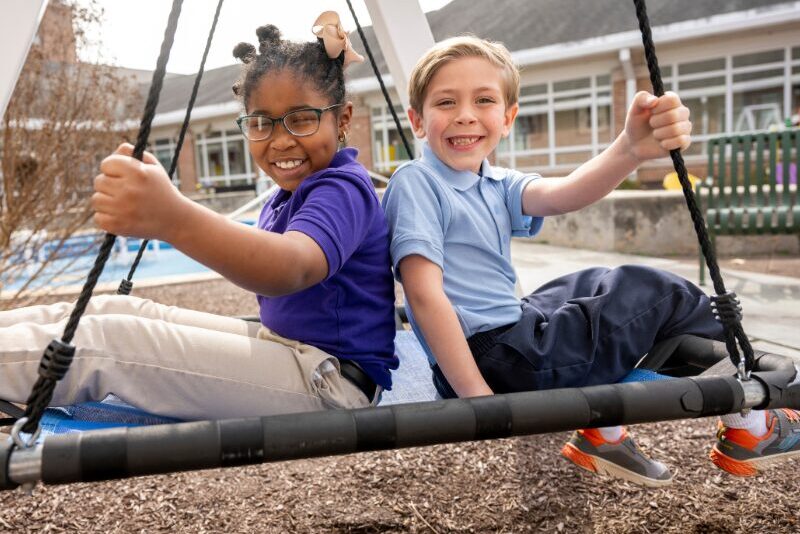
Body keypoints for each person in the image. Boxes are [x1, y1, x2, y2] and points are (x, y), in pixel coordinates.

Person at [382, 36, 800, 486]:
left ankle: (604, 431)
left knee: (593, 281)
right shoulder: (417, 182)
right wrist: (479, 401)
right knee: (656, 293)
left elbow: (565, 194)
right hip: (496, 365)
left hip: (507, 341)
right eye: (446, 101)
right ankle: (751, 428)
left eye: (483, 100)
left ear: (507, 118)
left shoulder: (492, 181)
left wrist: (630, 149)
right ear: (417, 121)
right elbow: (424, 296)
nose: (465, 113)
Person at [0, 13, 397, 421]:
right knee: (123, 313)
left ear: (343, 119)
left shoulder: (343, 189)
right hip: (292, 349)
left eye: (301, 119)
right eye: (261, 123)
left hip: (331, 383)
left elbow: (290, 268)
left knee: (110, 341)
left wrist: (171, 217)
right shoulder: (292, 193)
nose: (280, 140)